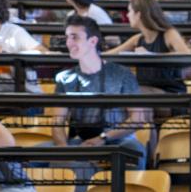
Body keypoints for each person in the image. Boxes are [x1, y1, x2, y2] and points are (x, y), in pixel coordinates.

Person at [51, 15, 148, 169]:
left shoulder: (121, 73)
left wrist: (103, 138)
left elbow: (138, 118)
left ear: (93, 41)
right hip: (81, 142)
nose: (69, 43)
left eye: (75, 38)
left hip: (118, 140)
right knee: (35, 156)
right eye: (67, 37)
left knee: (133, 151)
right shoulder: (65, 78)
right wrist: (66, 152)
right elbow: (57, 124)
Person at [107, 0, 191, 95]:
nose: (127, 15)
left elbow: (187, 55)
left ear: (138, 14)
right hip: (145, 92)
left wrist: (151, 55)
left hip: (170, 93)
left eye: (129, 11)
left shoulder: (169, 34)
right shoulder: (137, 39)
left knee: (132, 90)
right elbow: (111, 54)